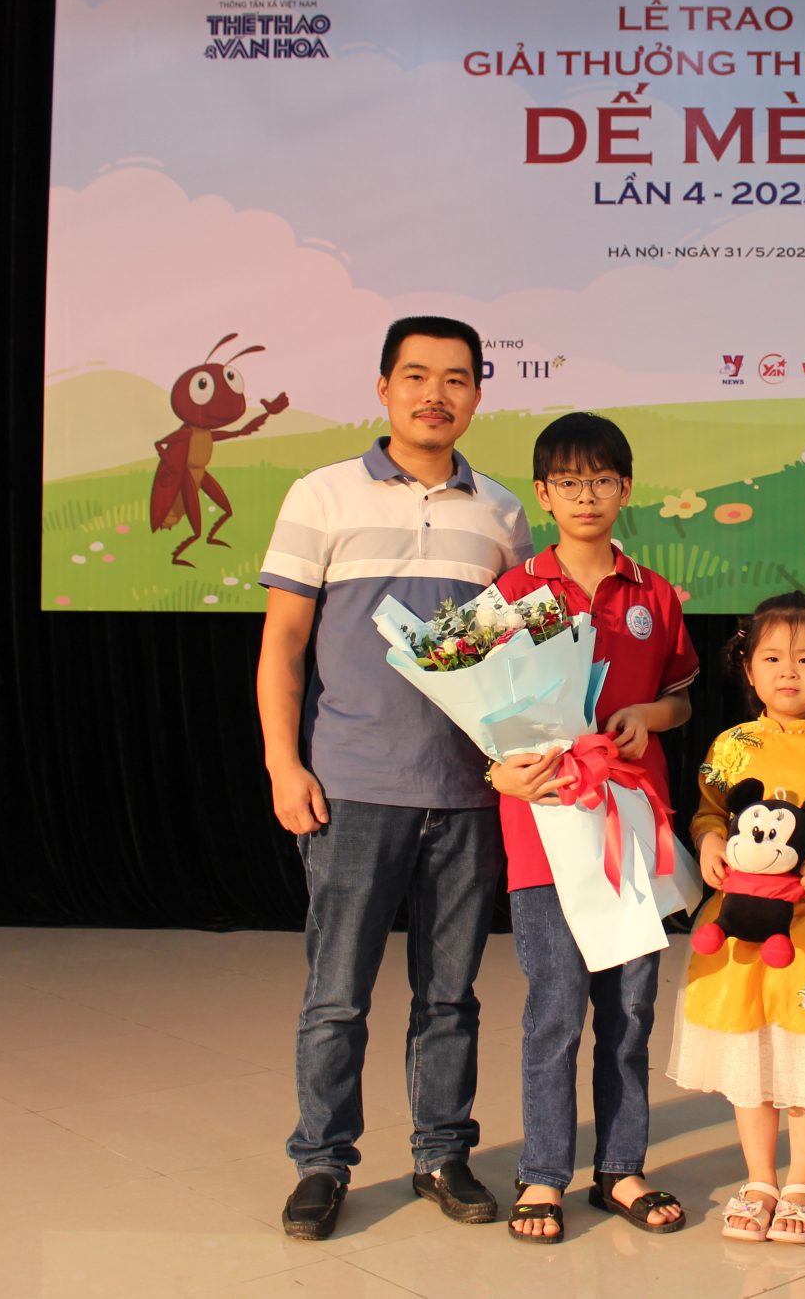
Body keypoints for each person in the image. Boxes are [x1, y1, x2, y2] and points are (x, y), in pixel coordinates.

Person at [256, 315, 533, 1240]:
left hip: (467, 792)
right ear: (383, 388)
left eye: (455, 378)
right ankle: (322, 1161)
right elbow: (283, 644)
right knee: (337, 995)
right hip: (352, 787)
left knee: (450, 996)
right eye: (416, 376)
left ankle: (442, 1153)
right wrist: (283, 761)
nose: (434, 395)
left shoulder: (501, 512)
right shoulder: (322, 494)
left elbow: (517, 658)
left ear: (477, 394)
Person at [485, 412, 696, 1243]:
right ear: (542, 494)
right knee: (555, 1008)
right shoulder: (512, 593)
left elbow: (681, 697)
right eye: (569, 482)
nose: (586, 495)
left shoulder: (654, 594)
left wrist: (650, 715)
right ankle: (543, 1171)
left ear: (626, 488)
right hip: (543, 832)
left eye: (602, 480)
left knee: (631, 1008)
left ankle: (620, 1167)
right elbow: (479, 710)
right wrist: (499, 768)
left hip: (632, 828)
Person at [669, 591, 805, 1245]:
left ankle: (802, 1183)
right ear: (748, 668)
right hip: (738, 934)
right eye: (771, 657)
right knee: (751, 1051)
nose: (788, 671)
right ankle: (760, 1179)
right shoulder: (731, 744)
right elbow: (708, 810)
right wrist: (709, 840)